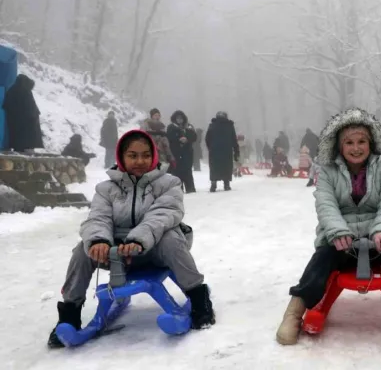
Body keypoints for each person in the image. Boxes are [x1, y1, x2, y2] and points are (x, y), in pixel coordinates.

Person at [275, 108, 381, 345]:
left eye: (361, 141)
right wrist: (336, 231)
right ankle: (294, 311)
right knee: (321, 258)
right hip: (342, 241)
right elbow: (326, 205)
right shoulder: (328, 173)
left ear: (370, 142)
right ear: (339, 145)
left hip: (378, 240)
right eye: (349, 142)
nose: (356, 148)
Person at [47, 130, 215, 349]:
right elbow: (98, 218)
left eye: (146, 155)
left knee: (171, 239)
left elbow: (162, 215)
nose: (140, 161)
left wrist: (138, 240)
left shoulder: (169, 183)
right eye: (133, 155)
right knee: (82, 250)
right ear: (121, 157)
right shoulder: (106, 189)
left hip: (156, 249)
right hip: (118, 254)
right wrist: (99, 242)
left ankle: (199, 299)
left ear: (153, 156)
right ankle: (69, 314)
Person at [2, 74, 44, 152]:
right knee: (28, 150)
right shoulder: (26, 92)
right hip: (28, 128)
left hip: (15, 127)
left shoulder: (11, 90)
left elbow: (6, 106)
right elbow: (31, 109)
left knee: (18, 147)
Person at [205, 112, 239, 192]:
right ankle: (226, 184)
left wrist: (211, 147)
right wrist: (236, 151)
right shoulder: (229, 126)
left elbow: (207, 138)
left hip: (215, 150)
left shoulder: (212, 125)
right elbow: (234, 139)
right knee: (226, 167)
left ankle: (213, 184)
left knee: (214, 168)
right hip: (226, 150)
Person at [167, 110, 197, 193]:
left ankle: (190, 188)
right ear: (175, 119)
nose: (180, 120)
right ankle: (177, 189)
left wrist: (187, 139)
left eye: (181, 118)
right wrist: (178, 139)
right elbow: (169, 137)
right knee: (176, 172)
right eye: (178, 118)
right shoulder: (171, 127)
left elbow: (194, 137)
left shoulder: (189, 127)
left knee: (187, 171)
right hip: (176, 153)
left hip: (187, 152)